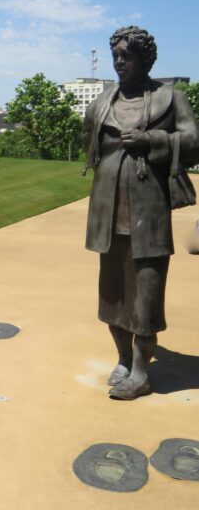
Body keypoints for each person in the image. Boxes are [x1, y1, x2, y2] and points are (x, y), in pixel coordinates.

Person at [83, 26, 199, 400]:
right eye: (116, 55)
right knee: (113, 293)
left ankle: (140, 371)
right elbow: (91, 143)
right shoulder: (102, 101)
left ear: (145, 59)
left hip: (148, 212)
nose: (119, 62)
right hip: (108, 210)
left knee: (146, 294)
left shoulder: (171, 98)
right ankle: (121, 357)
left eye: (126, 56)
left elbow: (194, 141)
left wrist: (152, 140)